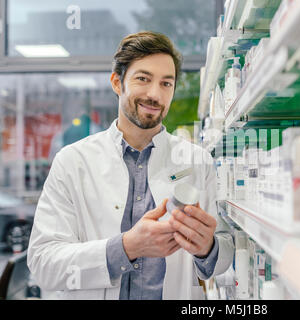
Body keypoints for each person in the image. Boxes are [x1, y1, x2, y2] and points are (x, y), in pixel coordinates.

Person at [27, 31, 234, 300]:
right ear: (117, 82)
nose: (154, 94)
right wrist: (125, 247)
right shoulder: (72, 162)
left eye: (166, 84)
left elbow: (223, 258)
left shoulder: (198, 162)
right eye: (143, 79)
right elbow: (44, 263)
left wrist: (208, 248)